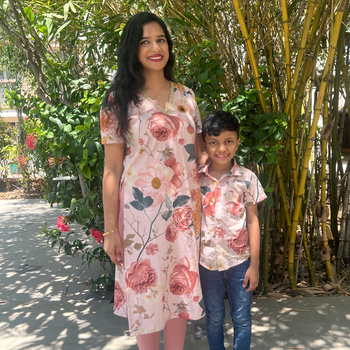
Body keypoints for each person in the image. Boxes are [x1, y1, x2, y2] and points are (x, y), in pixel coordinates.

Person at [100, 12, 205, 350]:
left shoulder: (186, 96)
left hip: (183, 214)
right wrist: (110, 230)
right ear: (133, 49)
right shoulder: (118, 101)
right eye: (145, 42)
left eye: (160, 40)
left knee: (178, 288)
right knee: (144, 291)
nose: (155, 48)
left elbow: (198, 157)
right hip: (138, 217)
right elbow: (112, 170)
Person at [198, 111, 266, 350]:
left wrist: (255, 265)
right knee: (214, 317)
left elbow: (253, 221)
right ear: (204, 144)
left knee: (242, 318)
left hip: (240, 262)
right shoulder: (195, 179)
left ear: (237, 142)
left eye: (228, 141)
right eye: (214, 142)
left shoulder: (246, 178)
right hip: (206, 263)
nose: (221, 149)